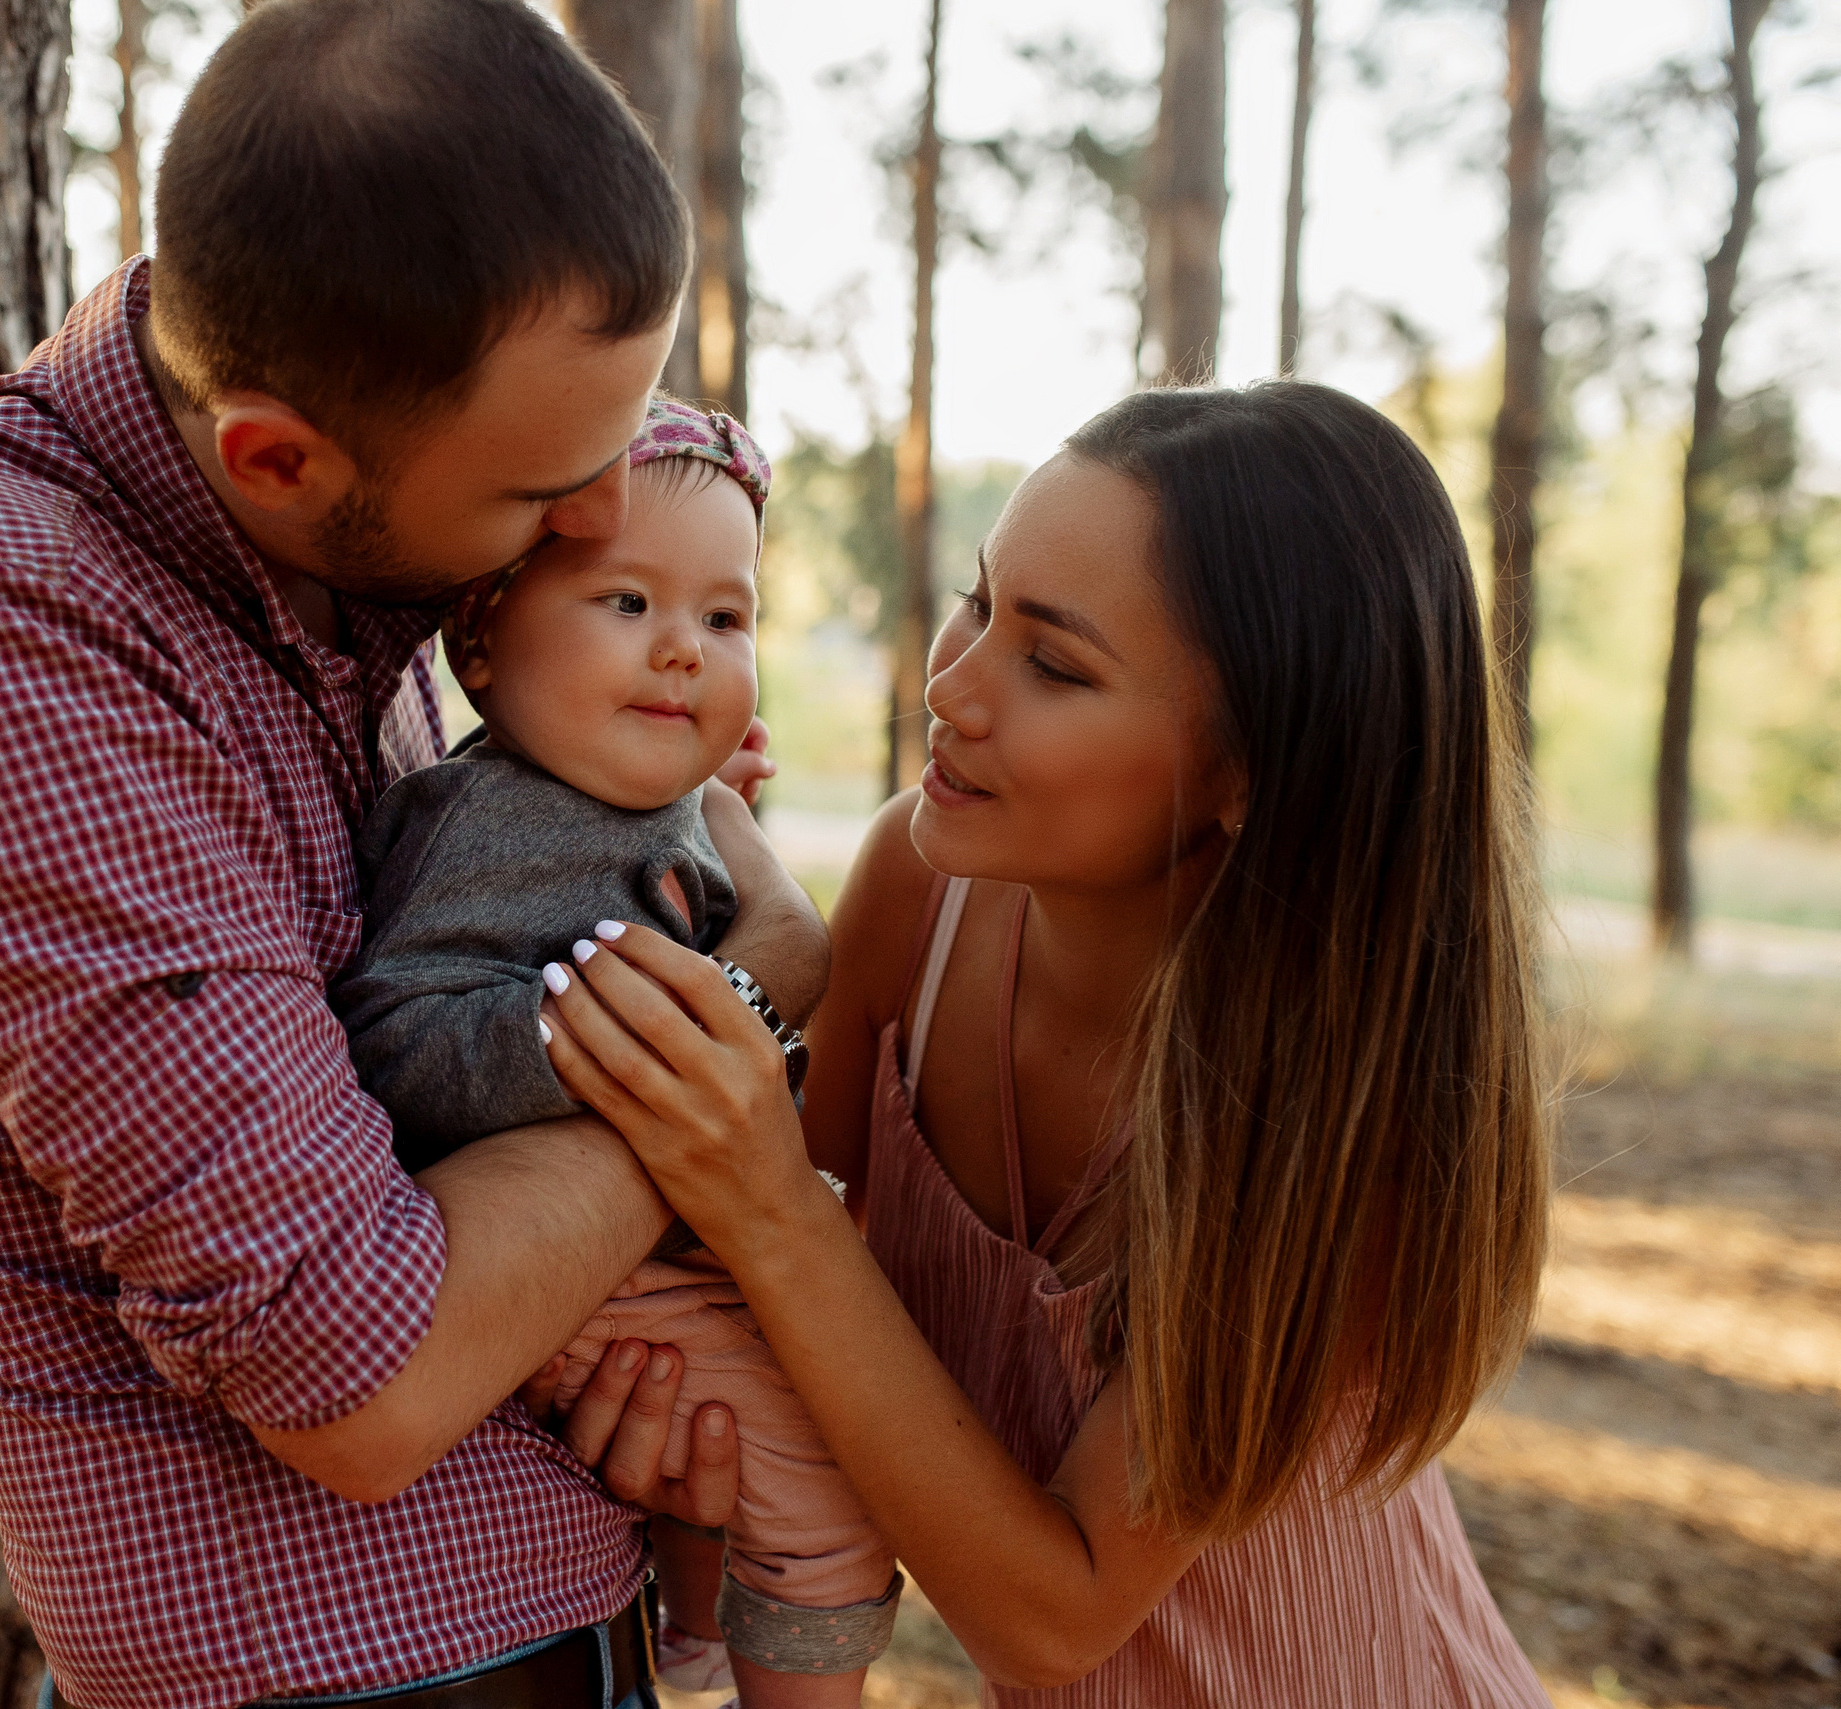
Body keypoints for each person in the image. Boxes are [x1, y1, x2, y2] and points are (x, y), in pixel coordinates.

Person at [0, 4, 807, 1706]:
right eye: (542, 491)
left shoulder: (347, 534)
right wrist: (738, 1026)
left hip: (550, 1617)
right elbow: (355, 1368)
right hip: (341, 1671)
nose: (603, 515)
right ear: (277, 456)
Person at [539, 383, 1556, 1704]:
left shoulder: (1341, 1118)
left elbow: (1055, 1615)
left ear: (1252, 771)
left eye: (1056, 666)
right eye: (978, 602)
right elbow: (723, 1259)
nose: (951, 687)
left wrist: (772, 1205)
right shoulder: (923, 891)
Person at [336, 399, 899, 1709]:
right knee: (834, 1503)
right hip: (590, 1271)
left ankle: (695, 1628)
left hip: (650, 1255)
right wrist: (591, 1044)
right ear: (481, 641)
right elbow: (394, 1038)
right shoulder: (502, 819)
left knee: (750, 1444)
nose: (684, 649)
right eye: (629, 603)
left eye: (727, 617)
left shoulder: (613, 802)